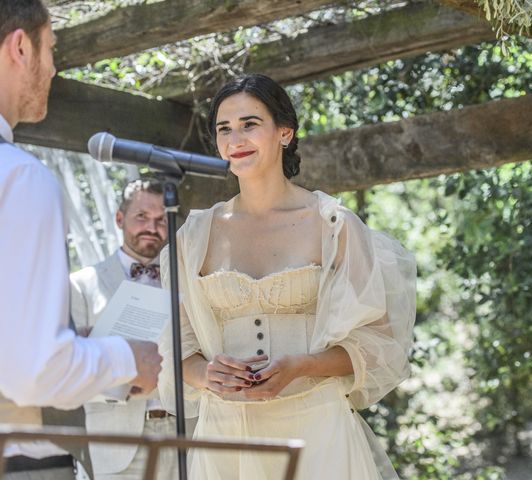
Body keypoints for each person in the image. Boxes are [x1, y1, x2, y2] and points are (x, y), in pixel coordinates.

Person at [157, 73, 416, 479]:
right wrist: (206, 375)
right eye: (224, 128)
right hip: (226, 437)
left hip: (316, 427)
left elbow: (379, 342)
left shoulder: (333, 224)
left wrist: (302, 365)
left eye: (249, 124)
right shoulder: (194, 236)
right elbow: (178, 347)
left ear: (284, 132)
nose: (235, 139)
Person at [0, 1, 162, 478]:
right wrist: (125, 358)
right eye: (52, 49)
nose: (52, 68)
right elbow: (33, 373)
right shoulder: (20, 180)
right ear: (21, 46)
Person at [70, 179, 179, 480]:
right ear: (120, 219)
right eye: (141, 217)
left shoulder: (185, 281)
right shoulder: (81, 285)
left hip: (187, 435)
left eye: (160, 220)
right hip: (117, 445)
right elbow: (69, 369)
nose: (151, 227)